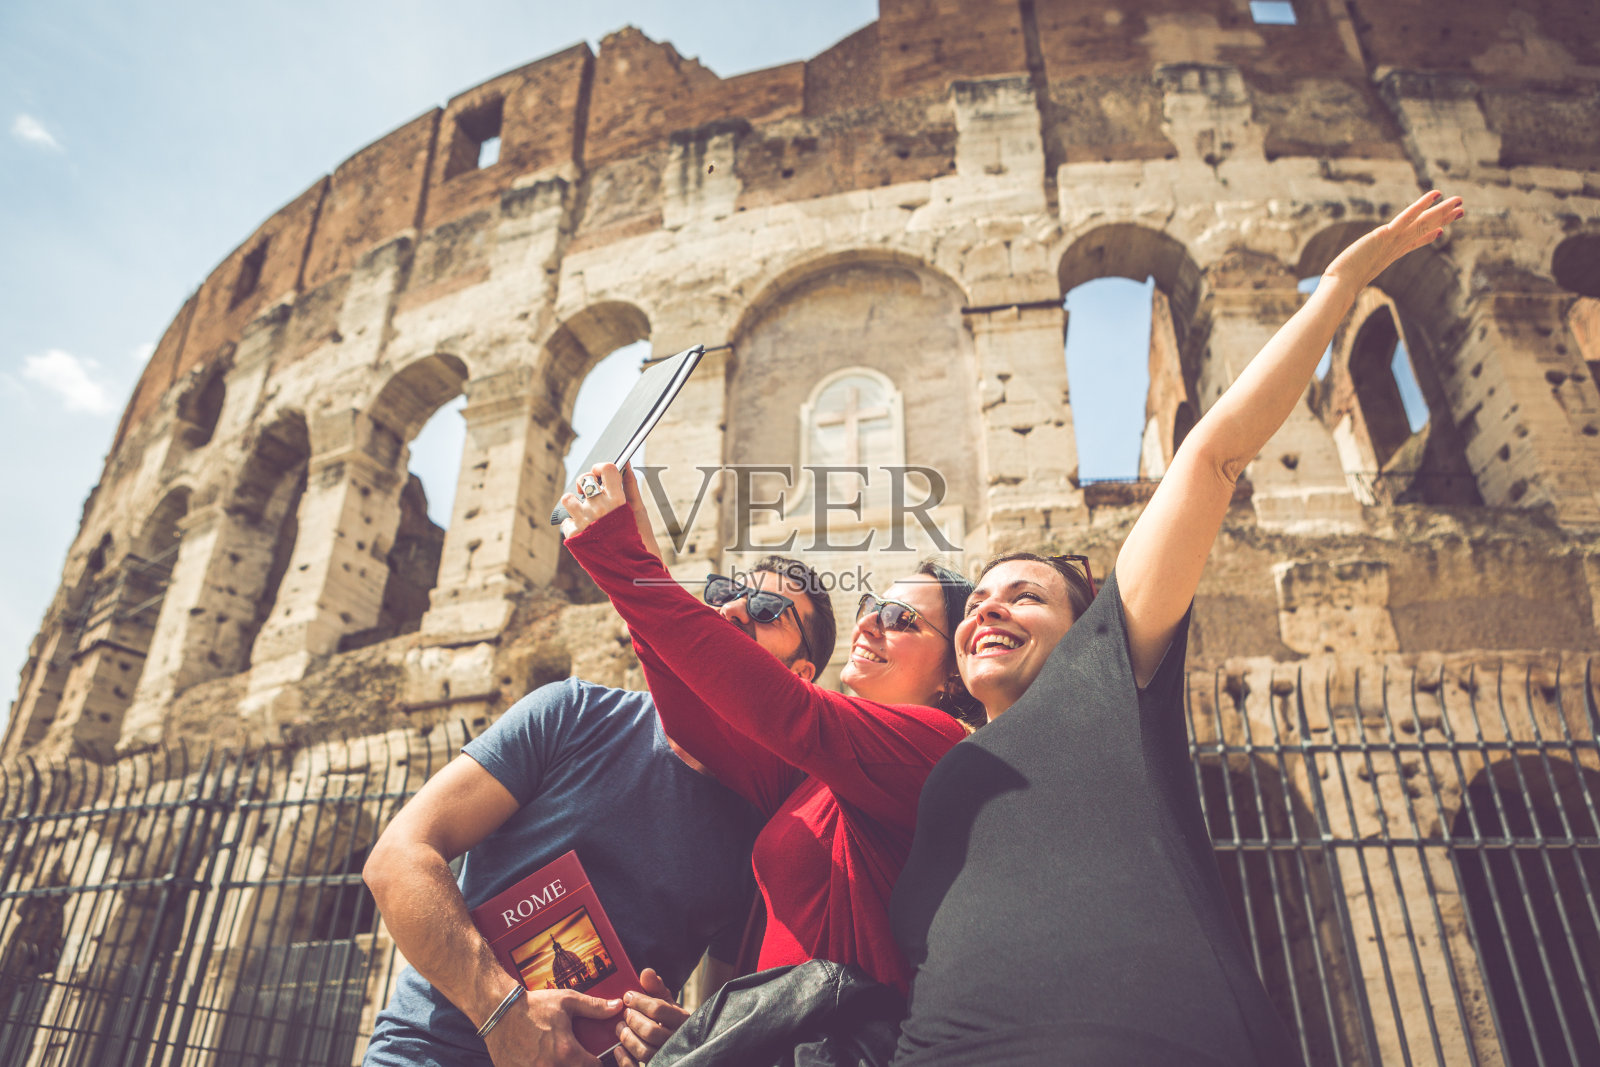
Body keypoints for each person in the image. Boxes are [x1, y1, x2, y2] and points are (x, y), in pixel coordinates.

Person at [887, 190, 1467, 1065]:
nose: (989, 607)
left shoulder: (1104, 683)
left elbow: (1214, 453)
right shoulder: (943, 763)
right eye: (976, 602)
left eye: (1025, 595)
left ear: (1092, 631)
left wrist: (1339, 285)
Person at [361, 553, 833, 1067]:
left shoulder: (767, 838)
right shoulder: (571, 713)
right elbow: (397, 857)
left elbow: (718, 1020)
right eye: (723, 591)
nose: (735, 608)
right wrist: (504, 1014)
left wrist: (674, 1040)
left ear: (801, 675)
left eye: (767, 608)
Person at [558, 468, 975, 995]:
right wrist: (639, 560)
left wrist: (617, 555)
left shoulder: (938, 744)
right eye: (871, 606)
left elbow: (785, 709)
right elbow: (698, 712)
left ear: (952, 675)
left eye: (901, 618)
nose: (868, 623)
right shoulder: (814, 777)